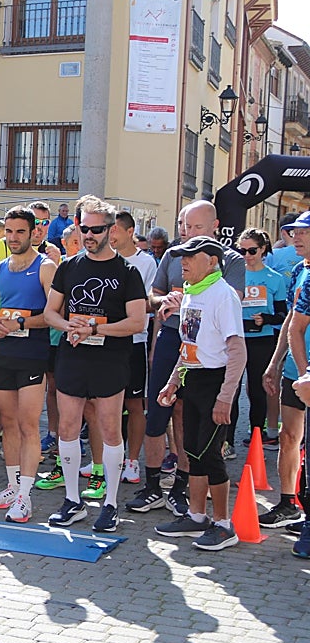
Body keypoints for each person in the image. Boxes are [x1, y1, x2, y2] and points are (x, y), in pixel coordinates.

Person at [41, 198, 147, 532]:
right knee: (68, 427)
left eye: (96, 229)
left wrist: (96, 328)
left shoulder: (127, 272)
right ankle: (73, 501)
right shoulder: (69, 267)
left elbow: (137, 322)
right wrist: (68, 326)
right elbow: (50, 312)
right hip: (73, 356)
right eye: (83, 227)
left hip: (110, 358)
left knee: (110, 428)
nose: (88, 234)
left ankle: (111, 504)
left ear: (111, 231)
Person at [133, 201, 245, 515]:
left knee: (202, 444)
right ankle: (168, 496)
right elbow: (157, 306)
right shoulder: (181, 269)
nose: (186, 233)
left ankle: (210, 513)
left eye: (195, 228)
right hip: (182, 352)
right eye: (184, 226)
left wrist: (226, 397)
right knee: (169, 424)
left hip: (212, 367)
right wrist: (166, 301)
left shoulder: (225, 275)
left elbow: (236, 342)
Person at [154, 237, 246, 551]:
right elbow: (188, 346)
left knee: (210, 454)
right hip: (192, 378)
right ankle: (196, 516)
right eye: (182, 256)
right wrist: (172, 382)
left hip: (214, 382)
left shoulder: (223, 295)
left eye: (191, 257)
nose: (184, 262)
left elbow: (237, 351)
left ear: (211, 260)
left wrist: (226, 397)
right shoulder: (192, 294)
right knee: (191, 451)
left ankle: (223, 524)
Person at [0, 207, 57, 521]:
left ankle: (26, 496)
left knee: (28, 426)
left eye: (20, 232)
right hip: (3, 353)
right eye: (9, 232)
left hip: (33, 355)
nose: (13, 238)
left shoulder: (46, 267)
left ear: (33, 233)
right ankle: (13, 487)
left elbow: (54, 314)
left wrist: (21, 323)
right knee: (8, 423)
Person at [109, 209, 158, 485]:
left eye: (115, 229)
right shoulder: (103, 260)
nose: (111, 235)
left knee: (134, 404)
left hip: (134, 342)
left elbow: (149, 304)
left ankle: (132, 461)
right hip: (104, 342)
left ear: (130, 232)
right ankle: (108, 458)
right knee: (106, 405)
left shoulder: (146, 263)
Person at [267, 213, 310, 530]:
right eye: (294, 231)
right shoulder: (298, 271)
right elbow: (291, 324)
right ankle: (287, 503)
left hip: (306, 373)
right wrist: (275, 361)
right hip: (296, 372)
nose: (296, 237)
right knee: (288, 436)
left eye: (304, 232)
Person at [235, 228, 284, 455]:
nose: (246, 255)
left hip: (261, 340)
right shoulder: (235, 275)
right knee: (231, 390)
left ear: (263, 249)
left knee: (256, 389)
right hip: (236, 339)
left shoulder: (275, 279)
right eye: (242, 250)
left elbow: (283, 315)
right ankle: (226, 441)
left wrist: (265, 319)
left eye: (251, 251)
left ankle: (256, 435)